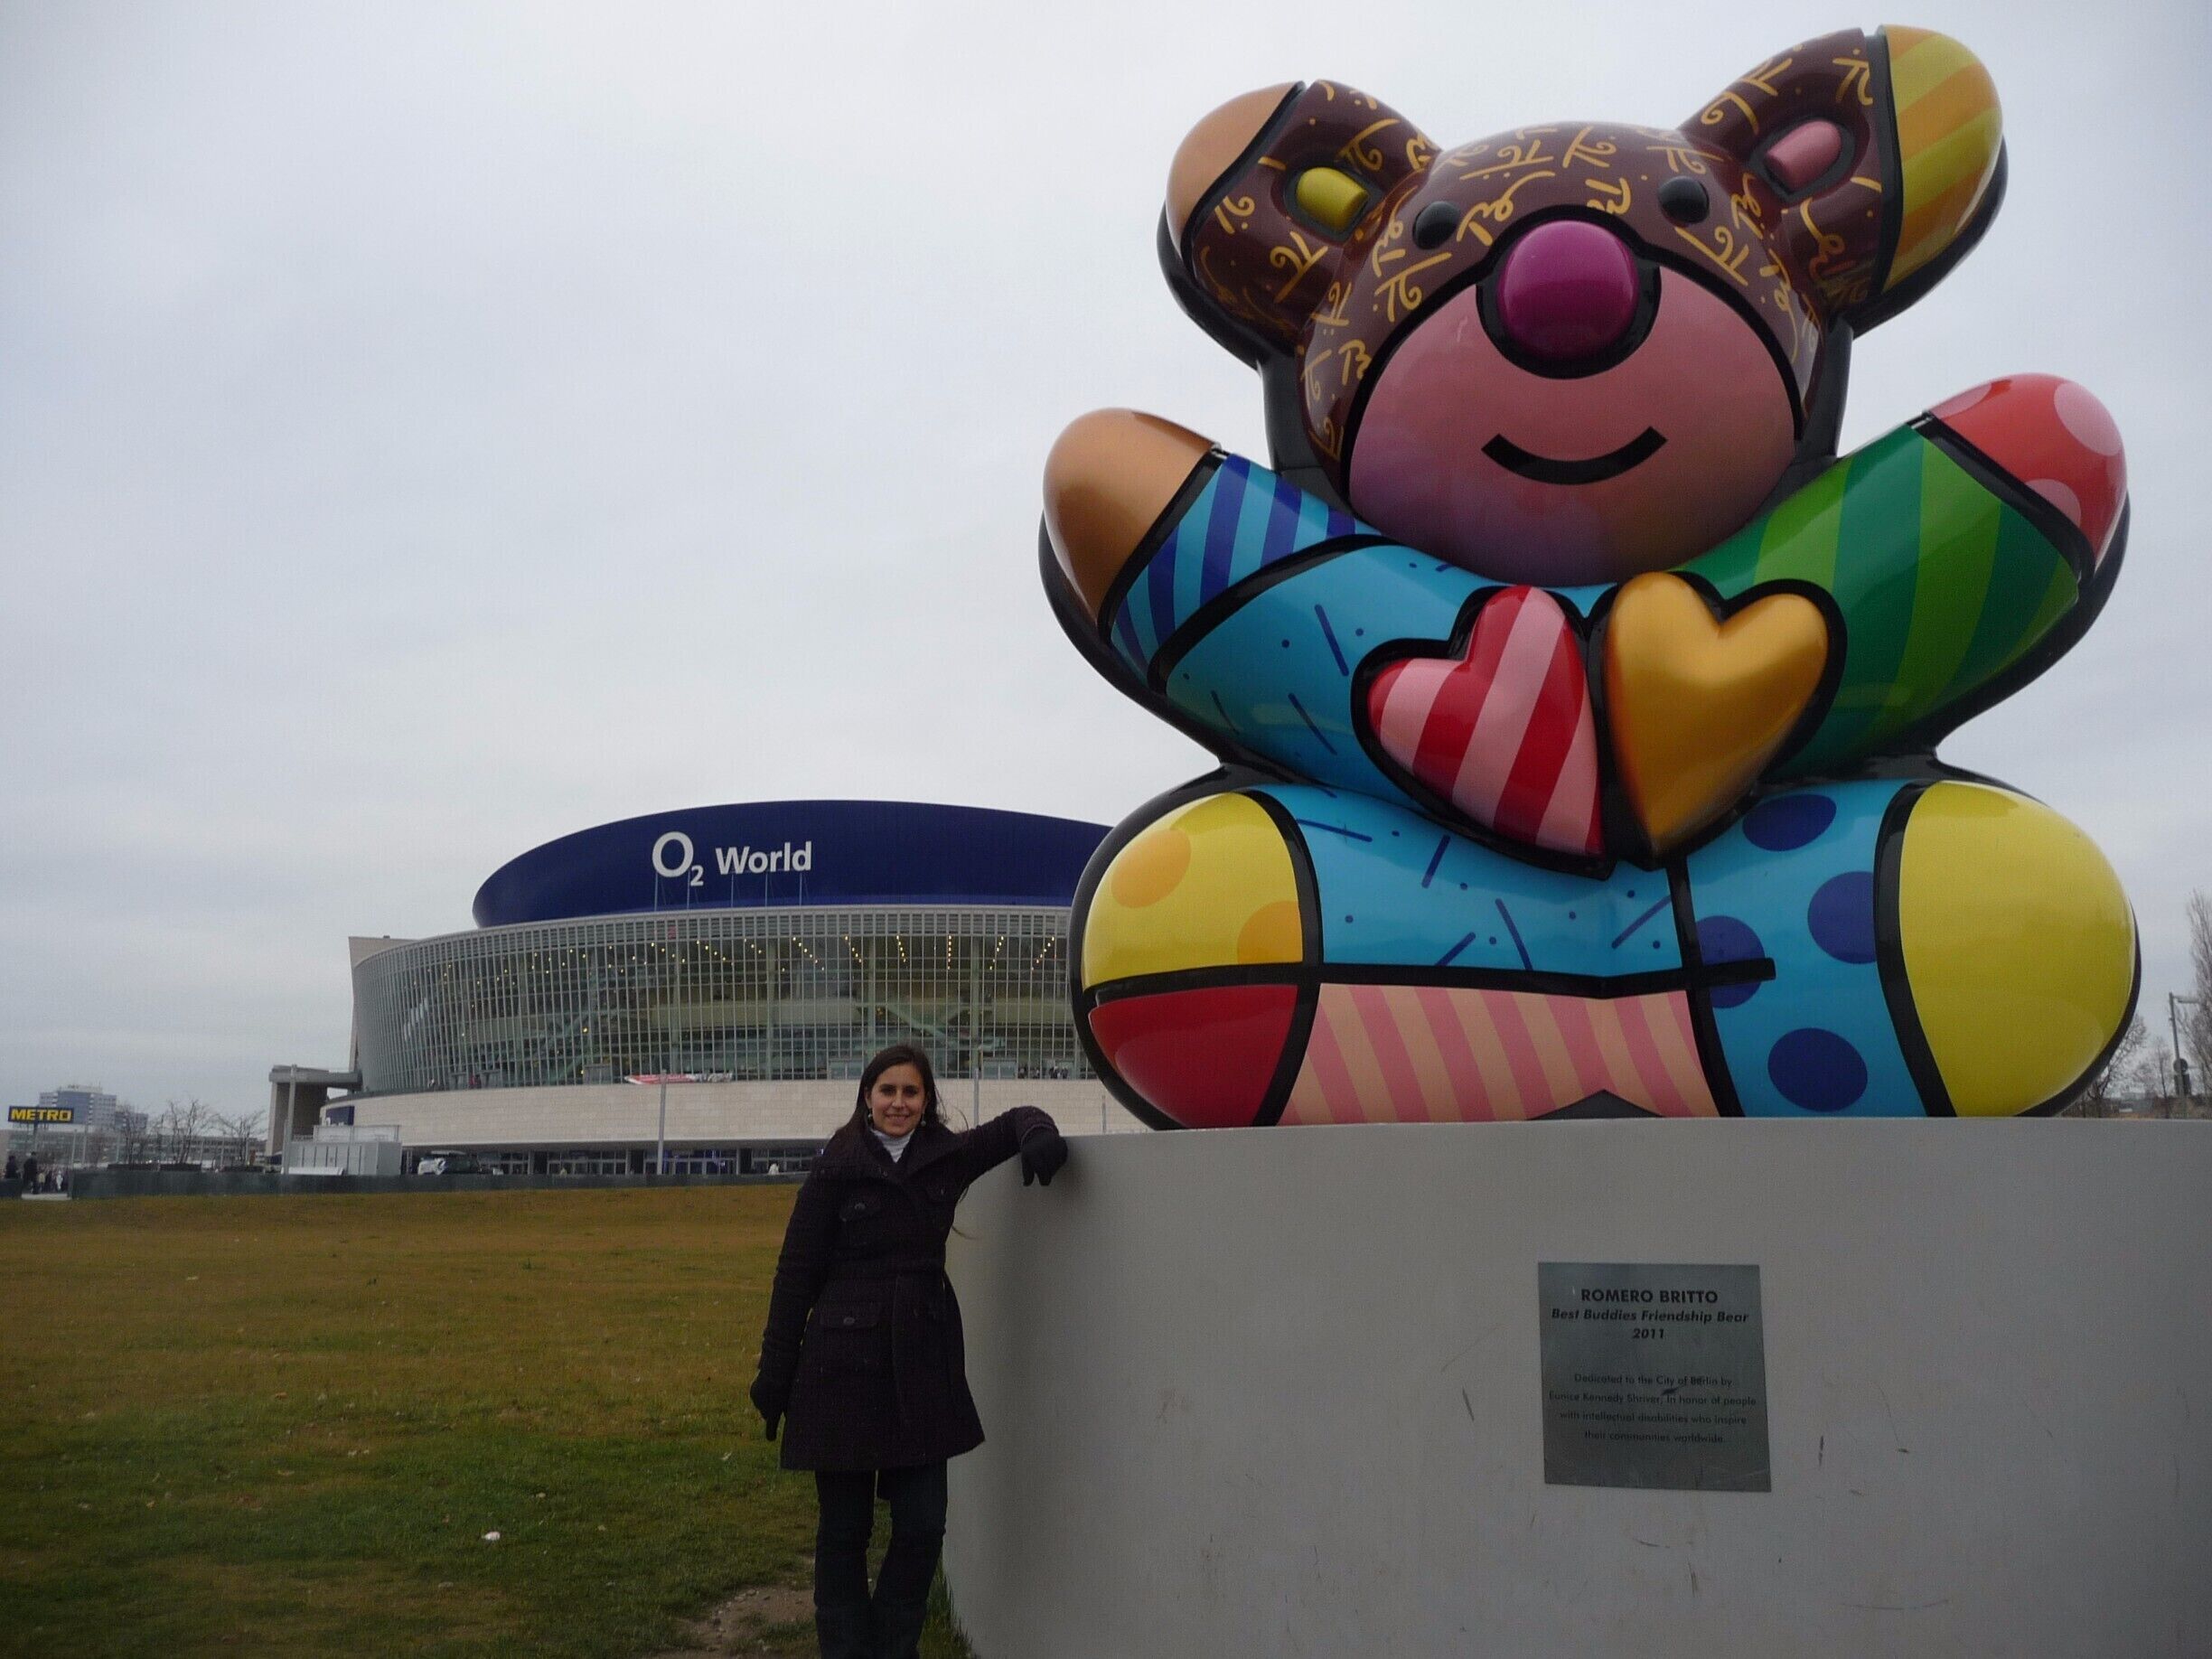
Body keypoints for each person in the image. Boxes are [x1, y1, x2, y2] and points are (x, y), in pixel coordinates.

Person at [750, 1043, 1067, 1659]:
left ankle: (893, 1646)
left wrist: (1038, 1133)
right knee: (844, 1530)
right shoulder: (835, 1168)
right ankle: (846, 1648)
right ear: (867, 1097)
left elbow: (1016, 1118)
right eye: (887, 1090)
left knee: (922, 1524)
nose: (899, 1103)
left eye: (911, 1092)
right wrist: (775, 1373)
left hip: (921, 1360)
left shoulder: (945, 1157)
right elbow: (795, 1275)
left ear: (927, 1102)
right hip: (837, 1366)